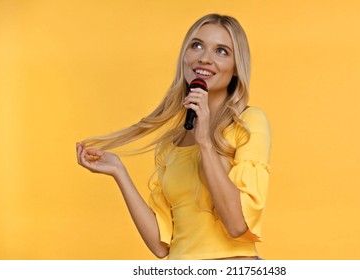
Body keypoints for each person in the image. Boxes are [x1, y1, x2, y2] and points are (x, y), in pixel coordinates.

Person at [76, 14, 271, 260]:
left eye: (221, 51)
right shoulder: (171, 144)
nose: (204, 58)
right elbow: (161, 245)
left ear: (235, 69)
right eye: (196, 45)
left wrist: (205, 143)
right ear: (184, 57)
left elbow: (237, 225)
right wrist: (119, 172)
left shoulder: (248, 123)